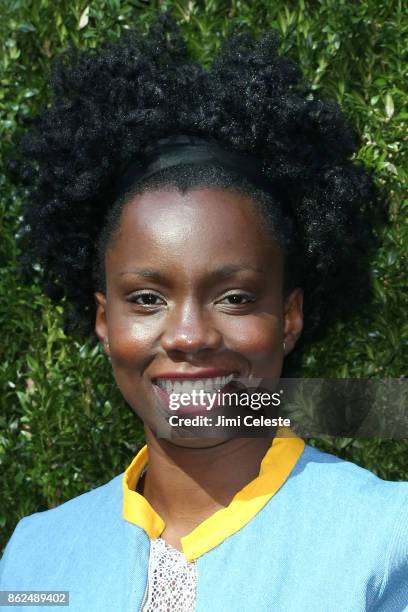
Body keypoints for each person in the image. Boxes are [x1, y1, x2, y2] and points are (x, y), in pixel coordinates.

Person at [1, 12, 407, 612]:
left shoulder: (387, 538)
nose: (189, 335)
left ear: (289, 317)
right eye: (146, 299)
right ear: (104, 321)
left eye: (235, 297)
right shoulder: (35, 557)